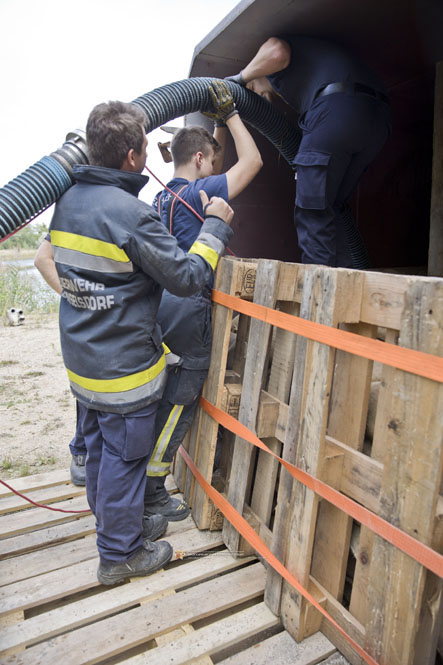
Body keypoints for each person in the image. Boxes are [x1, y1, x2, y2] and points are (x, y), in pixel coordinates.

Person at [45, 99, 234, 585]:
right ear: (133, 157)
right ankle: (119, 554)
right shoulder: (130, 214)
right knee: (124, 461)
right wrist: (215, 224)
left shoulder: (66, 201)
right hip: (124, 371)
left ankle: (118, 525)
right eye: (145, 147)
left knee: (100, 454)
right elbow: (188, 277)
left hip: (82, 362)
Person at [143, 80, 262, 521]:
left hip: (160, 311)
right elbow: (254, 162)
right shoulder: (200, 195)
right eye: (212, 161)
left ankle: (148, 480)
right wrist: (231, 112)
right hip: (191, 311)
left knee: (163, 398)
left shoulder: (159, 198)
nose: (217, 169)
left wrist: (215, 132)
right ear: (199, 160)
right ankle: (153, 489)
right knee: (179, 402)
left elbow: (221, 159)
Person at [226, 35, 392, 268]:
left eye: (253, 87)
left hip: (337, 110)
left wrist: (242, 77)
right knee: (332, 207)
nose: (257, 93)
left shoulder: (275, 51)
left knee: (312, 210)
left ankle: (316, 296)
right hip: (378, 120)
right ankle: (349, 282)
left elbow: (277, 52)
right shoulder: (311, 67)